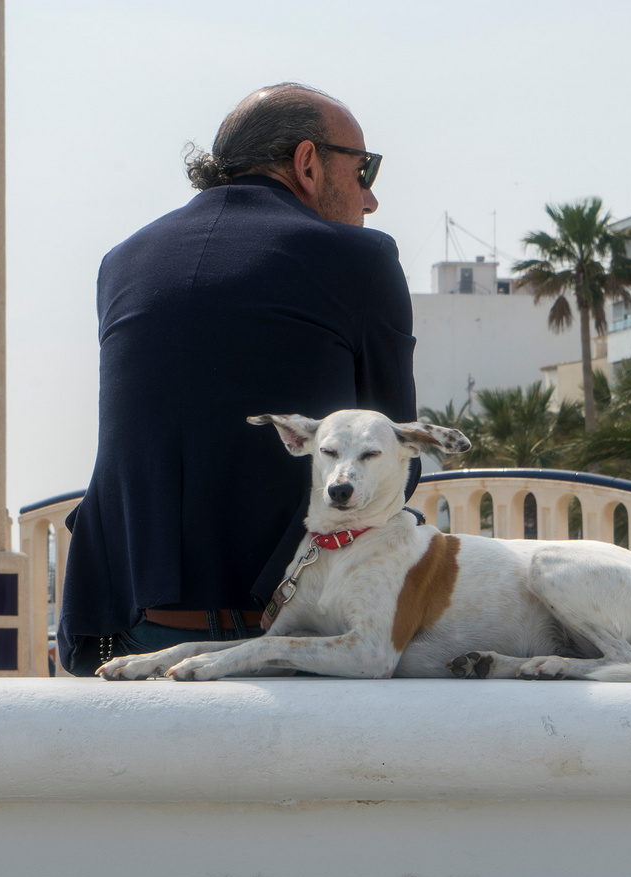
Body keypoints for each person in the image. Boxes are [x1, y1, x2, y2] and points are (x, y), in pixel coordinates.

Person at [58, 82, 419, 675]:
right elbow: (397, 457)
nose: (371, 199)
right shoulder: (359, 259)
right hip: (292, 631)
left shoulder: (123, 260)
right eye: (364, 170)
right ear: (307, 163)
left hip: (134, 627)